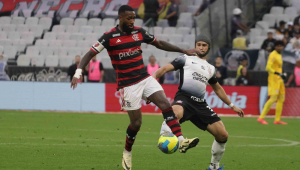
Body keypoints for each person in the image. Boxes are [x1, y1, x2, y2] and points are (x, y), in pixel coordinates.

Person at [70, 5, 201, 170]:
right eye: (129, 18)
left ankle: (182, 141)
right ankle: (127, 152)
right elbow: (89, 54)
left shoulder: (139, 32)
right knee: (137, 123)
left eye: (134, 18)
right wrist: (78, 72)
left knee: (165, 105)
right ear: (120, 18)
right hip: (128, 85)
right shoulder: (109, 37)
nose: (132, 21)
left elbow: (159, 43)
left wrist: (182, 50)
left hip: (145, 78)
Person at [152, 34, 244, 170]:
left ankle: (214, 166)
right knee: (174, 113)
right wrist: (151, 82)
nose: (201, 47)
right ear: (195, 46)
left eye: (204, 45)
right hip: (184, 98)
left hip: (200, 104)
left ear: (208, 48)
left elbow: (217, 89)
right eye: (199, 44)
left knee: (223, 135)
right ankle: (166, 137)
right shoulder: (185, 59)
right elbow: (163, 70)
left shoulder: (210, 69)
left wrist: (232, 105)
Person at [257, 40, 288, 125]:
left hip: (279, 79)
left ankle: (277, 119)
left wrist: (282, 74)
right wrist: (278, 73)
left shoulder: (280, 55)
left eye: (281, 46)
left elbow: (278, 67)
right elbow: (268, 68)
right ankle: (261, 117)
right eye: (278, 46)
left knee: (282, 98)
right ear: (275, 47)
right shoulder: (273, 55)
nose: (279, 47)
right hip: (273, 79)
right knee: (273, 98)